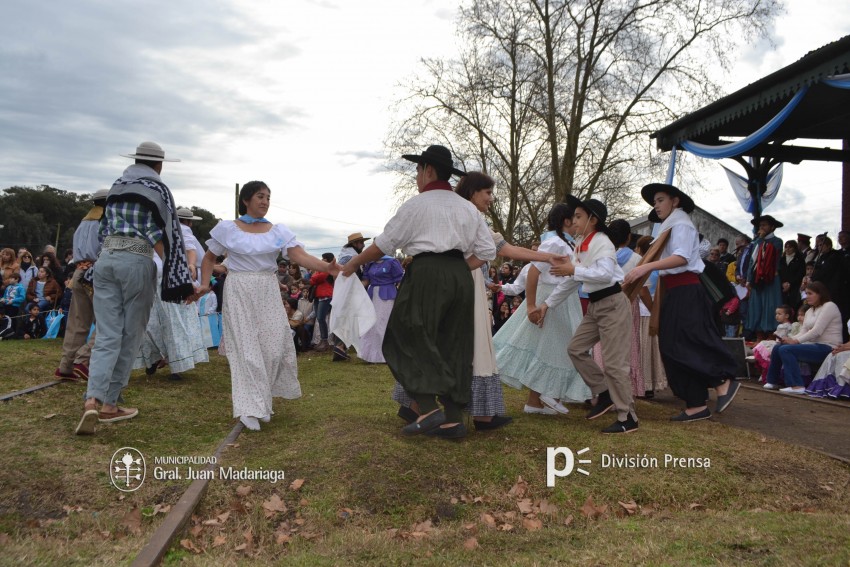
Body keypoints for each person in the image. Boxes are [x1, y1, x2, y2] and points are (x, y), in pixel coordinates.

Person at [341, 145, 495, 439]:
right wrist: (459, 269)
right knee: (455, 342)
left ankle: (427, 407)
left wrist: (353, 264)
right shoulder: (467, 208)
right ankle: (453, 420)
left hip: (426, 273)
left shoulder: (416, 205)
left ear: (428, 170)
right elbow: (487, 251)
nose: (416, 177)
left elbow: (383, 244)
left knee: (404, 334)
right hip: (460, 274)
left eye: (417, 170)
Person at [192, 181, 339, 431]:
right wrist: (205, 284)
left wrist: (327, 267)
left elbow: (299, 256)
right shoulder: (228, 229)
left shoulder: (277, 231)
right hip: (239, 289)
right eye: (260, 196)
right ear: (246, 200)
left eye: (268, 197)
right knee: (246, 351)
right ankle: (249, 408)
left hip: (268, 290)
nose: (265, 201)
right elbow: (208, 258)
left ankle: (261, 399)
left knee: (273, 348)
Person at [75, 141, 194, 436]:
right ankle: (110, 404)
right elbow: (167, 235)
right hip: (136, 260)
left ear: (136, 160)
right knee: (130, 336)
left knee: (106, 335)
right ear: (159, 165)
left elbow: (103, 229)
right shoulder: (158, 190)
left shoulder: (117, 186)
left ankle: (91, 399)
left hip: (106, 261)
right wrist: (180, 277)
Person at [623, 183, 738, 422]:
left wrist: (645, 267)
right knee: (673, 345)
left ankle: (722, 380)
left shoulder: (682, 223)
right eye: (655, 201)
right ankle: (696, 403)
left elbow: (682, 258)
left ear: (675, 201)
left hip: (687, 290)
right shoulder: (670, 225)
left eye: (660, 200)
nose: (656, 205)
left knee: (690, 341)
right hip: (674, 291)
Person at [535, 196, 637, 434]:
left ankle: (628, 417)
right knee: (575, 348)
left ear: (593, 220)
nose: (574, 220)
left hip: (613, 304)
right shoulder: (581, 243)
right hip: (595, 306)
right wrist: (547, 304)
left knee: (614, 364)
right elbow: (573, 279)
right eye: (574, 216)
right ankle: (604, 392)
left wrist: (573, 269)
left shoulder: (603, 242)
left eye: (579, 216)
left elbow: (604, 274)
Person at [496, 202, 588, 417]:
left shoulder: (567, 242)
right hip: (551, 298)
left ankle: (535, 401)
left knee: (550, 347)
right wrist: (530, 305)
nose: (578, 222)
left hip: (563, 298)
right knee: (556, 346)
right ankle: (548, 395)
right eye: (575, 217)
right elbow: (533, 272)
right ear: (566, 221)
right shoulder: (555, 242)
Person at [55, 188, 108, 381]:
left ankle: (66, 366)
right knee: (108, 320)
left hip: (78, 272)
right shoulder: (106, 221)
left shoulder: (83, 222)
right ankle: (83, 359)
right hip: (97, 272)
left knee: (77, 322)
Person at [764, 282, 843, 393]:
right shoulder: (810, 311)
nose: (807, 296)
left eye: (810, 293)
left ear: (820, 294)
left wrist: (795, 341)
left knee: (786, 349)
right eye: (806, 293)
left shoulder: (829, 306)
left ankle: (797, 385)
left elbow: (817, 331)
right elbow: (803, 331)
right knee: (778, 347)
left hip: (828, 347)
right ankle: (772, 381)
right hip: (812, 345)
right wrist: (789, 339)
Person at [359, 255, 404, 363]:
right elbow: (366, 281)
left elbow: (400, 281)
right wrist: (354, 287)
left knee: (382, 324)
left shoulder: (392, 262)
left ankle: (386, 355)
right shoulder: (370, 264)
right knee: (371, 324)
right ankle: (369, 355)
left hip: (387, 296)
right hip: (372, 295)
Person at [745, 215, 784, 340]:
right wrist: (748, 279)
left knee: (770, 307)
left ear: (772, 227)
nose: (761, 227)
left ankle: (771, 336)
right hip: (756, 279)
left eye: (764, 225)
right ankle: (759, 336)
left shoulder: (777, 241)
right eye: (760, 225)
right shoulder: (756, 242)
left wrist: (761, 240)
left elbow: (769, 254)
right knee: (756, 307)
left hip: (770, 279)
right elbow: (752, 261)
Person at [310, 254, 335, 351]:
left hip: (326, 296)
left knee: (321, 318)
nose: (321, 260)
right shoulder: (321, 270)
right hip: (318, 296)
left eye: (324, 259)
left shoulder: (327, 269)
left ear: (328, 260)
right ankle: (323, 340)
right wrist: (315, 276)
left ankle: (325, 340)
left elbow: (316, 278)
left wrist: (315, 275)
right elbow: (313, 279)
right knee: (320, 318)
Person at [778, 240, 805, 311]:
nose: (787, 249)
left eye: (790, 247)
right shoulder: (782, 259)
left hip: (794, 288)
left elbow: (800, 274)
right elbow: (779, 273)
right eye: (786, 247)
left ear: (794, 248)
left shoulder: (799, 259)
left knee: (793, 307)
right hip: (783, 288)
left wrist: (790, 283)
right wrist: (783, 283)